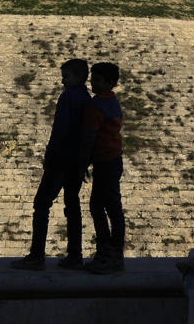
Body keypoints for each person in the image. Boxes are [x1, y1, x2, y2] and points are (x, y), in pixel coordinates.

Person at [12, 58, 92, 270]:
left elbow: (60, 130)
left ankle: (37, 255)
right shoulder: (86, 98)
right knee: (72, 206)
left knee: (41, 204)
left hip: (60, 160)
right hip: (76, 163)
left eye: (66, 76)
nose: (63, 81)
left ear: (79, 77)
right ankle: (75, 255)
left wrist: (50, 155)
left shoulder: (68, 97)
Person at [78, 62, 126, 274]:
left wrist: (82, 163)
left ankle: (108, 253)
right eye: (92, 79)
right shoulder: (113, 102)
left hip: (104, 162)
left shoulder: (95, 105)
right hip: (113, 160)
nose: (92, 83)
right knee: (111, 207)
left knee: (100, 207)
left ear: (110, 83)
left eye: (97, 80)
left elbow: (88, 137)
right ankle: (111, 253)